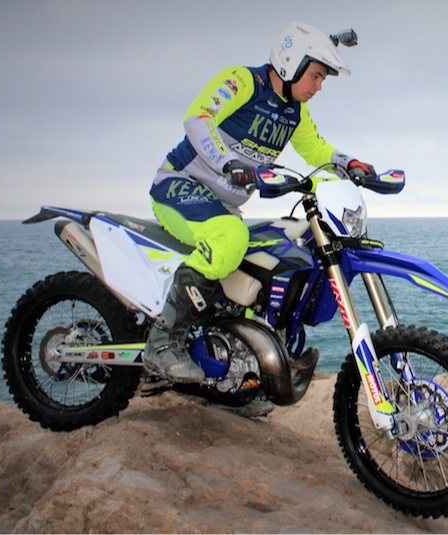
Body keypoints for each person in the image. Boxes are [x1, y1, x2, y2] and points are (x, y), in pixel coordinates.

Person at [144, 21, 376, 382]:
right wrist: (227, 162)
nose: (318, 86)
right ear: (292, 63)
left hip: (222, 208)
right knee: (230, 239)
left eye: (322, 79)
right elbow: (198, 119)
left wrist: (350, 164)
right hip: (179, 184)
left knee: (278, 249)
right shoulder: (242, 81)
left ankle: (254, 358)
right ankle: (161, 344)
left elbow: (316, 150)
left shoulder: (294, 111)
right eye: (316, 75)